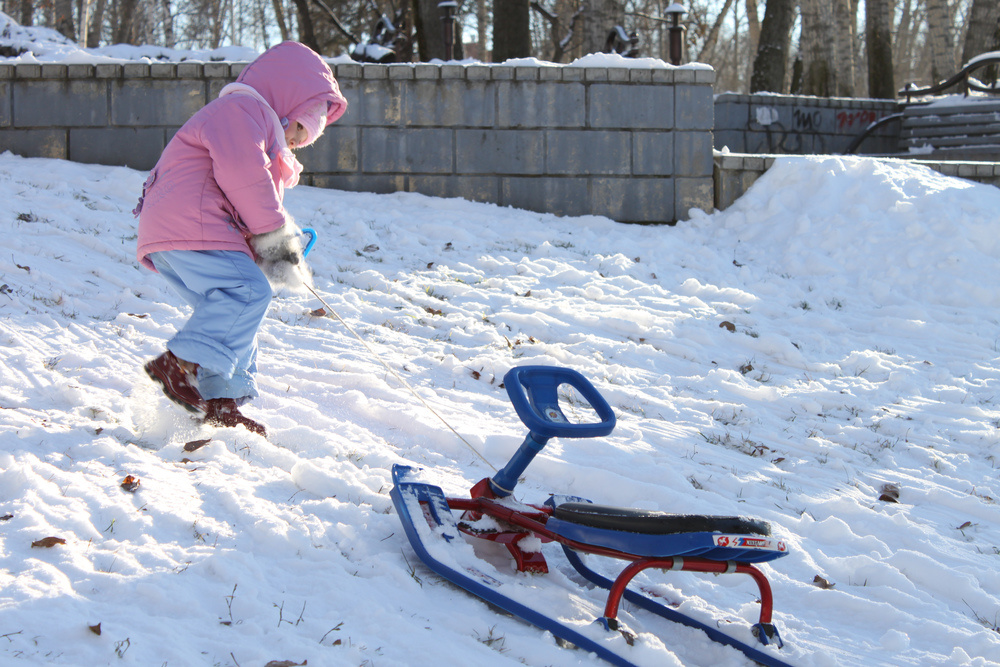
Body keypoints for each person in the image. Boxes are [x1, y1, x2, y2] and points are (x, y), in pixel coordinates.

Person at [134, 41, 348, 436]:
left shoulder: (252, 121)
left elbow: (240, 199)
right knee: (248, 294)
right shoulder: (242, 111)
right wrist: (274, 236)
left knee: (238, 313)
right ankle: (177, 364)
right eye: (298, 126)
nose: (297, 140)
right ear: (285, 99)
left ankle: (221, 401)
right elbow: (243, 178)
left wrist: (266, 247)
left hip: (186, 227)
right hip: (189, 221)